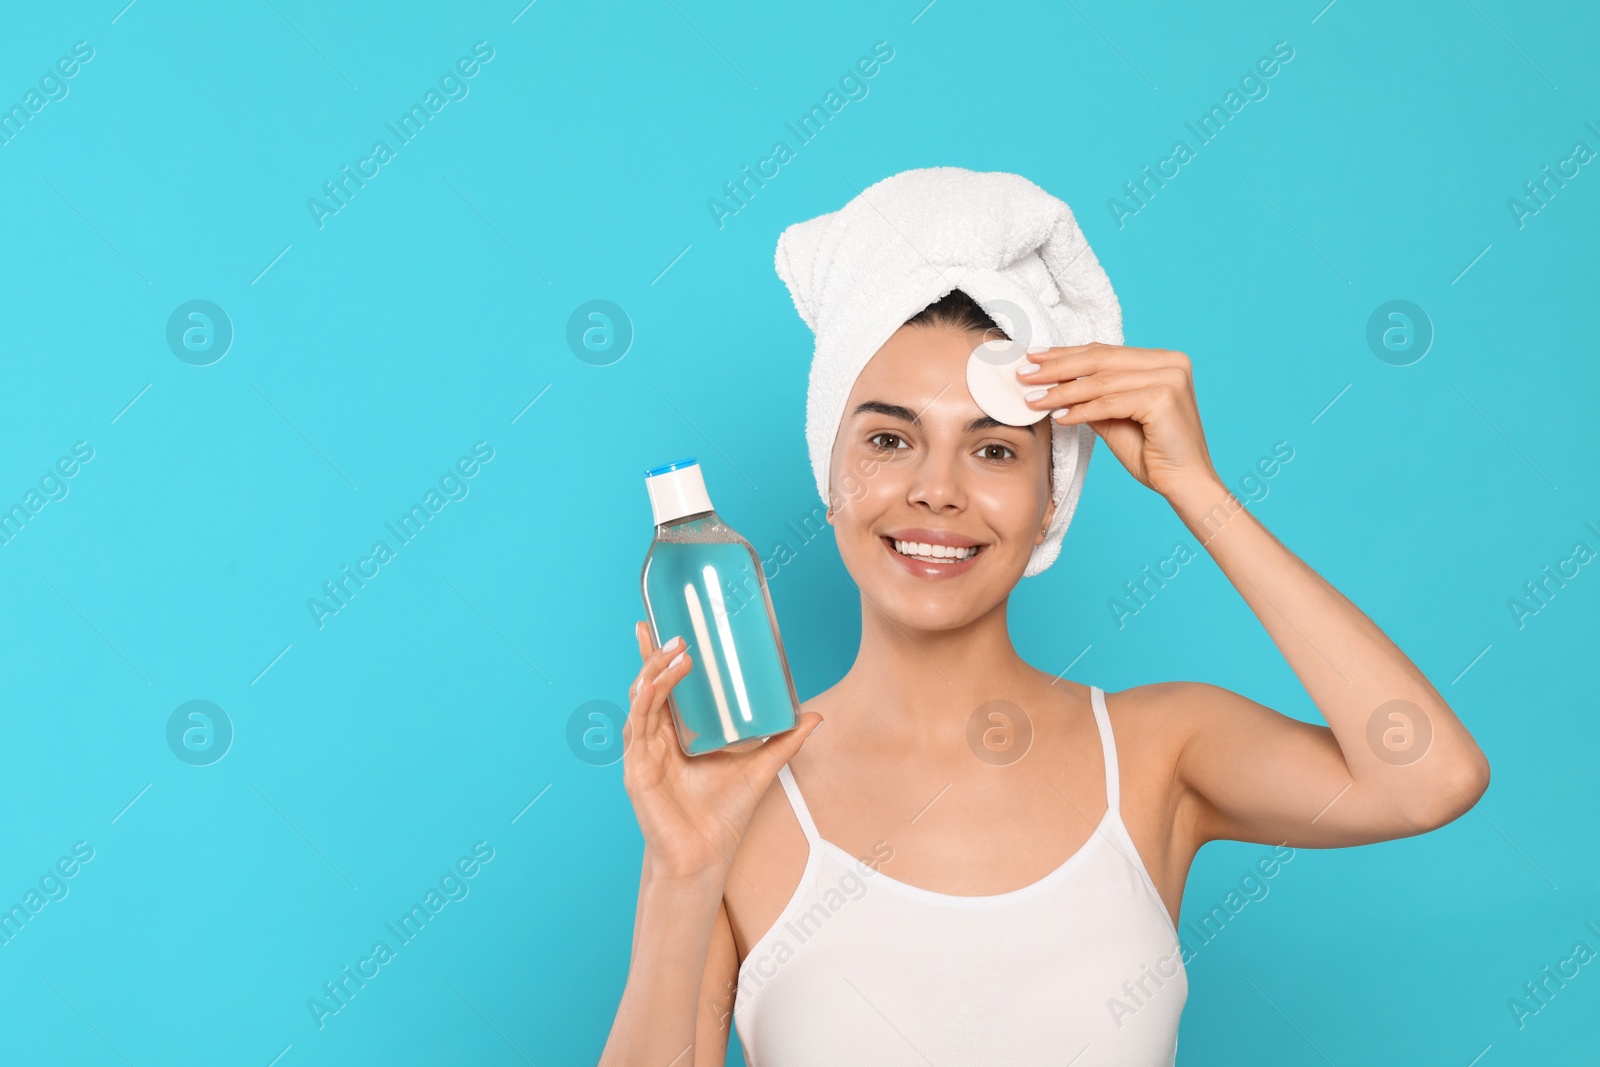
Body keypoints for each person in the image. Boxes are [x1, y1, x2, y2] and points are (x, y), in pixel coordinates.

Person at [599, 288, 1490, 1066]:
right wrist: (682, 873)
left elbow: (1428, 778)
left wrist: (1196, 488)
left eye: (994, 451)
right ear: (831, 477)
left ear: (1052, 499)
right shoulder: (736, 794)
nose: (937, 490)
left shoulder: (1157, 749)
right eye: (888, 439)